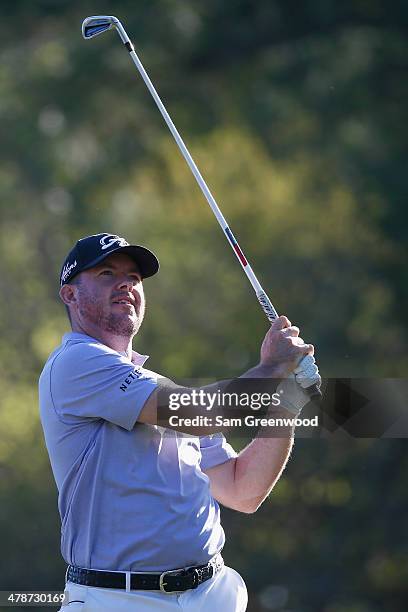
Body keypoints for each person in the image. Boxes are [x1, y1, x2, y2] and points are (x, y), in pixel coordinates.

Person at [39, 232, 319, 612]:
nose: (125, 283)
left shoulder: (159, 388)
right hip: (118, 599)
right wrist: (271, 366)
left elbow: (243, 489)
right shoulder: (74, 363)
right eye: (106, 273)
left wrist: (288, 398)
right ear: (70, 295)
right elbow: (201, 414)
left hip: (211, 594)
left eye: (134, 278)